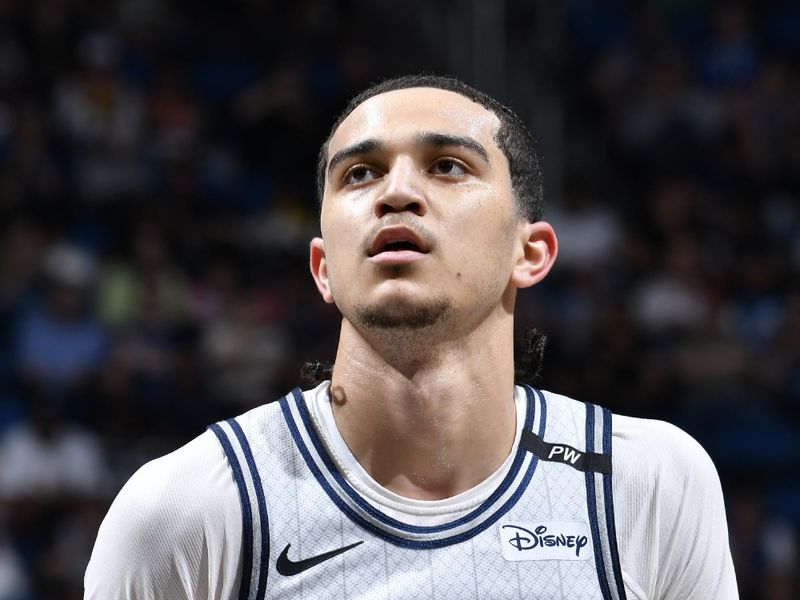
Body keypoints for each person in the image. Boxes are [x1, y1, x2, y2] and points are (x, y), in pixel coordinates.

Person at [84, 74, 738, 599]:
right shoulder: (187, 510)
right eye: (359, 174)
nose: (396, 191)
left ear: (530, 252)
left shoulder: (646, 481)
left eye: (448, 165)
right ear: (323, 270)